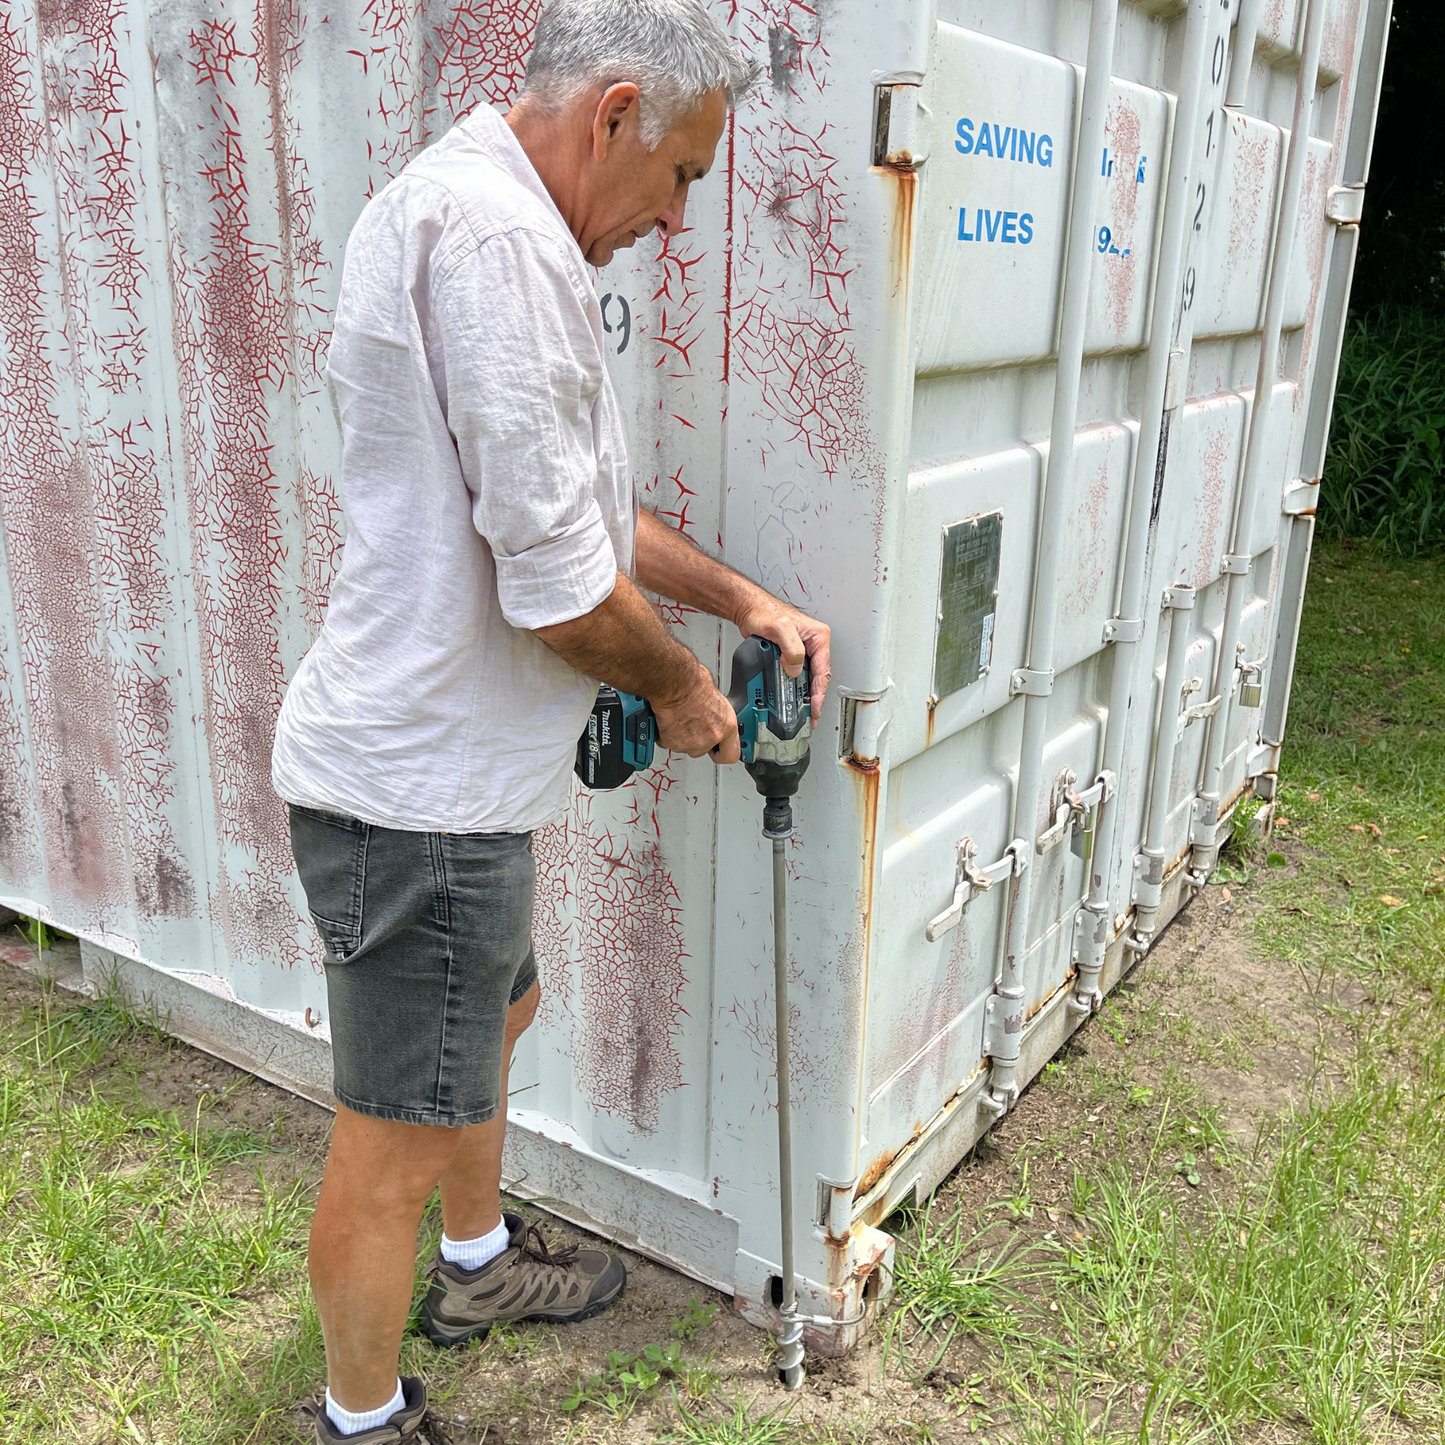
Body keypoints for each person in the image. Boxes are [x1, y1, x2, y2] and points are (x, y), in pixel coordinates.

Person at [270, 0, 832, 1438]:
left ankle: (473, 1269)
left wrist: (738, 602)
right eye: (687, 173)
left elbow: (583, 514)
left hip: (453, 783)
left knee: (498, 1012)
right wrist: (683, 692)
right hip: (416, 799)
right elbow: (557, 592)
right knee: (391, 1136)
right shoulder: (506, 245)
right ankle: (363, 1417)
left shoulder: (482, 205)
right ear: (617, 113)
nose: (679, 216)